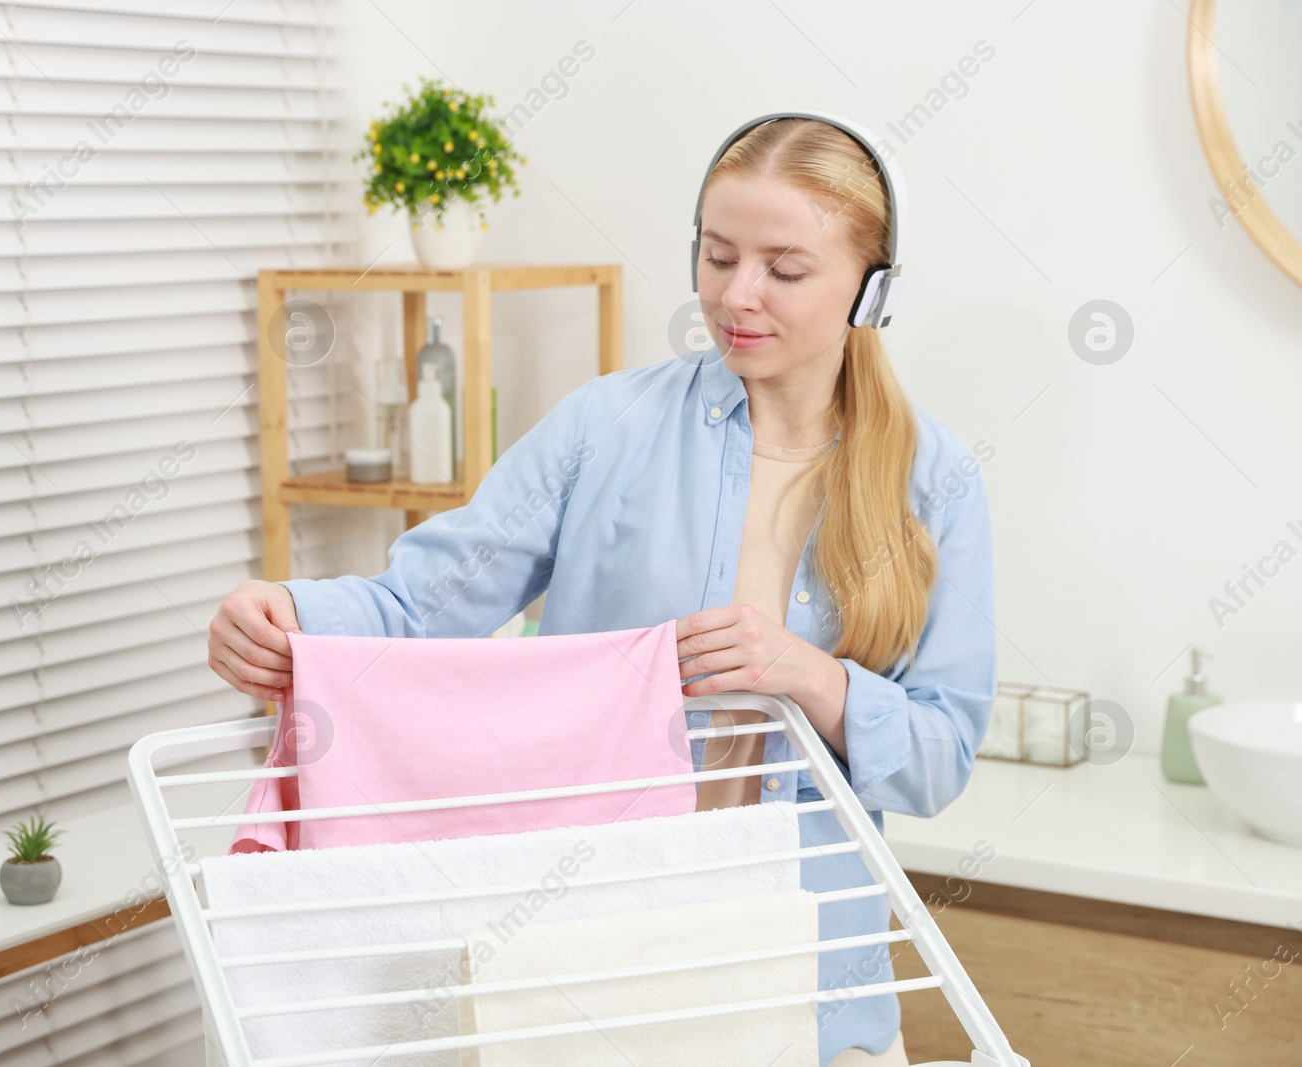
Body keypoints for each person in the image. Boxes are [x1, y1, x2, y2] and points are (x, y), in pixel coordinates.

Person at [208, 116, 996, 1067]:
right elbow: (422, 607)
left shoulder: (931, 478)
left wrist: (812, 678)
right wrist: (290, 616)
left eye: (784, 270)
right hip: (593, 970)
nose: (736, 295)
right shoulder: (606, 428)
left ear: (872, 292)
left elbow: (941, 752)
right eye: (716, 255)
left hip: (813, 985)